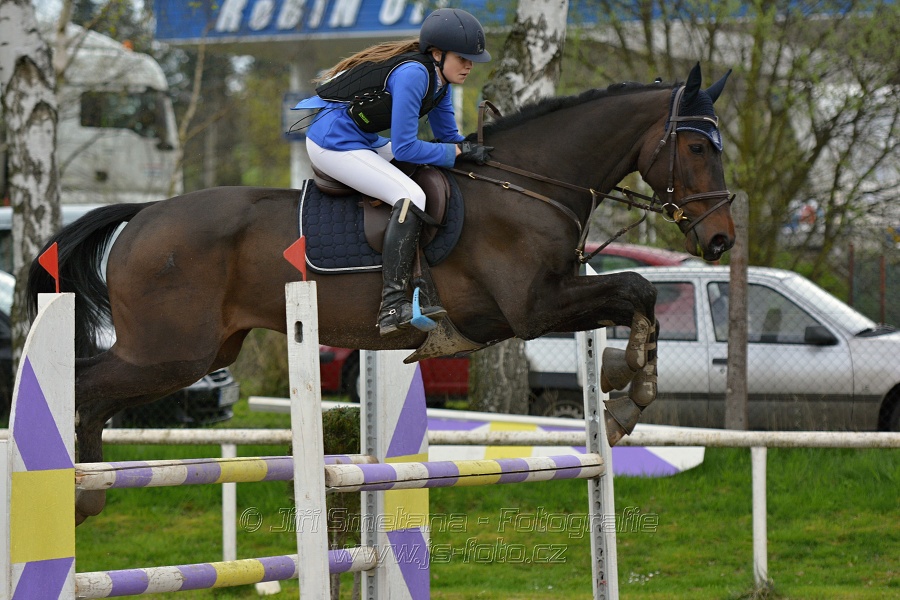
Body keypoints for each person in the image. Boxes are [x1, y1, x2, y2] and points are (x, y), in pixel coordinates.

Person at [294, 8, 493, 337]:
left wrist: (473, 150)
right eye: (464, 58)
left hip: (363, 140)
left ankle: (420, 286)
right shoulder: (415, 74)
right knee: (411, 194)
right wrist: (456, 152)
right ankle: (391, 305)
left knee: (434, 166)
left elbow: (448, 139)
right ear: (438, 54)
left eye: (473, 59)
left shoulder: (440, 82)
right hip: (331, 143)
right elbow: (404, 149)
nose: (470, 65)